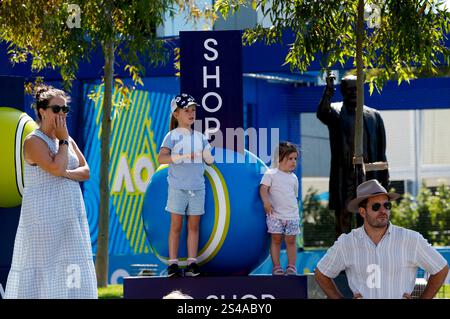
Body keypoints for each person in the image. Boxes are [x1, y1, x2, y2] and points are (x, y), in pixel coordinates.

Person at [5, 85, 97, 299]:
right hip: (43, 220)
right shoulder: (34, 141)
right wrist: (63, 143)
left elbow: (86, 172)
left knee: (72, 269)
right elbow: (55, 168)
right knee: (45, 273)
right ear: (42, 111)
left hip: (69, 218)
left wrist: (64, 170)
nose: (61, 114)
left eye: (65, 110)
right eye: (57, 109)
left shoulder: (66, 139)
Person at [314, 179, 449, 299]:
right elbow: (321, 273)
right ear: (362, 212)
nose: (383, 210)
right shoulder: (347, 243)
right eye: (376, 206)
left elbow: (441, 269)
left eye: (387, 205)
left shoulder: (410, 239)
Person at [317, 74, 389, 237]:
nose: (353, 93)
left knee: (369, 215)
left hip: (368, 175)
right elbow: (322, 113)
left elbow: (381, 150)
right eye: (348, 89)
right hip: (344, 176)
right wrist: (328, 91)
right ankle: (342, 256)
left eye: (356, 88)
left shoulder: (374, 116)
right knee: (343, 217)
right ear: (342, 91)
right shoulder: (335, 112)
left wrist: (384, 178)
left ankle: (370, 253)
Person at [158, 93, 214, 278]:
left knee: (194, 226)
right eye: (186, 110)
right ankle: (173, 264)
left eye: (193, 110)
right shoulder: (171, 136)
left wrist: (207, 154)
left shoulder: (200, 137)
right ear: (176, 114)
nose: (191, 113)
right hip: (177, 187)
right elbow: (161, 158)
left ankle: (192, 262)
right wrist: (183, 156)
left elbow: (210, 161)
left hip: (197, 187)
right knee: (176, 225)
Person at [260, 142, 300, 276]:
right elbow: (263, 189)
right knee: (276, 239)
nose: (294, 162)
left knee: (291, 240)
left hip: (292, 216)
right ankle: (276, 267)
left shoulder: (294, 178)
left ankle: (291, 266)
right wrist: (266, 202)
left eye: (295, 158)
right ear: (279, 158)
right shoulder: (271, 174)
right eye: (290, 158)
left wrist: (295, 212)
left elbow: (294, 196)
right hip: (275, 215)